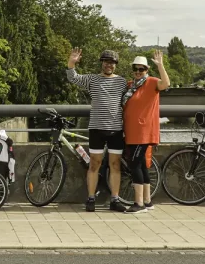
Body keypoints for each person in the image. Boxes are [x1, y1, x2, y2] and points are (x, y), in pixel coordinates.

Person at [67, 48, 128, 212]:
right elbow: (72, 77)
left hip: (115, 129)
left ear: (116, 65)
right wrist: (72, 62)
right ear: (102, 63)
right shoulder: (92, 79)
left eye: (112, 63)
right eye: (107, 62)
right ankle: (91, 198)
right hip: (96, 128)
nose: (109, 65)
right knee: (94, 164)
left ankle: (115, 199)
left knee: (115, 165)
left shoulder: (122, 82)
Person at [122, 50, 169, 214]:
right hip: (132, 130)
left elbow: (166, 84)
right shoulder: (130, 85)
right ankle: (147, 201)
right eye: (135, 69)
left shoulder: (151, 82)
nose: (137, 71)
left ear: (147, 70)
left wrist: (160, 65)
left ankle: (139, 203)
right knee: (141, 165)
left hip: (142, 131)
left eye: (141, 69)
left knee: (134, 164)